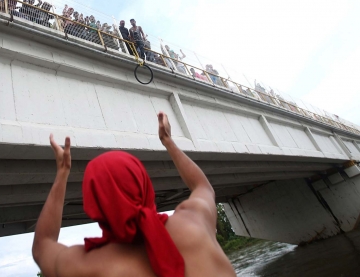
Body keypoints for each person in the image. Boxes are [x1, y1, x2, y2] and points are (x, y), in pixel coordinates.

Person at [32, 112, 236, 277]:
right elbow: (203, 187)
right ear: (145, 184)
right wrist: (168, 141)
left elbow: (42, 246)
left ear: (93, 205)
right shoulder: (193, 222)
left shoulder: (90, 265)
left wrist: (62, 172)